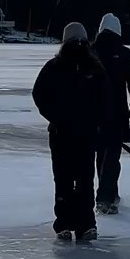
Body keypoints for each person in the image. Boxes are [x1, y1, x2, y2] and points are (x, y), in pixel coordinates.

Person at [32, 21, 108, 241]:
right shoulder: (55, 67)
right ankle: (68, 224)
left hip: (81, 133)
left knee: (81, 180)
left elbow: (105, 98)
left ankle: (83, 224)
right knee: (67, 180)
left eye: (81, 40)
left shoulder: (93, 68)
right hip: (63, 133)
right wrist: (56, 117)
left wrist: (96, 120)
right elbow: (39, 95)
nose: (78, 44)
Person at [92, 13, 130, 214]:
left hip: (93, 113)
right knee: (113, 156)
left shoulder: (91, 52)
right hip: (117, 113)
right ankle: (107, 196)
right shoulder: (126, 54)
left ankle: (108, 193)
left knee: (100, 155)